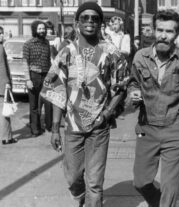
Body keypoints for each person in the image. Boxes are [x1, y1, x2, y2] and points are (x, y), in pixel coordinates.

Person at [40, 2, 128, 207]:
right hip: (72, 126)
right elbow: (56, 92)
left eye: (95, 18)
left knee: (95, 184)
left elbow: (121, 87)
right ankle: (81, 199)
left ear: (100, 23)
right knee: (72, 179)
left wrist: (107, 114)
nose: (90, 22)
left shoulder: (111, 52)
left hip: (99, 126)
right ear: (77, 22)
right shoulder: (66, 52)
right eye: (85, 18)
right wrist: (55, 129)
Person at [128, 9, 179, 207]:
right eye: (159, 30)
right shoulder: (140, 57)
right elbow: (133, 83)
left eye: (169, 31)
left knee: (170, 188)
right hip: (147, 128)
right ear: (153, 30)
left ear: (177, 34)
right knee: (140, 182)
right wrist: (133, 92)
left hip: (176, 128)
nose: (162, 35)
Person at [23, 20, 52, 136]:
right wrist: (27, 79)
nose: (42, 31)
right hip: (33, 76)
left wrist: (50, 76)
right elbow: (25, 62)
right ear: (35, 30)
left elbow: (49, 60)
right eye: (39, 29)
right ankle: (35, 129)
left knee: (48, 102)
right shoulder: (28, 44)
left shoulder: (47, 43)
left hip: (45, 76)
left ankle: (48, 126)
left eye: (43, 29)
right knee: (34, 104)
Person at [0, 26, 17, 145]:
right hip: (1, 83)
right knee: (5, 111)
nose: (2, 35)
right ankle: (6, 137)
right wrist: (7, 83)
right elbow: (2, 67)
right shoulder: (0, 48)